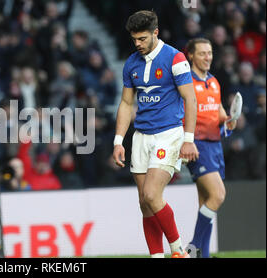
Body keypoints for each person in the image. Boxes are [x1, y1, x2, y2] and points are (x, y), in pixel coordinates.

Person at [112, 10, 199, 258]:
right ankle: (156, 256)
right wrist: (119, 141)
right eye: (134, 39)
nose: (137, 44)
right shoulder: (131, 63)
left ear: (155, 33)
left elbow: (190, 98)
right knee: (144, 203)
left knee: (152, 194)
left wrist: (188, 139)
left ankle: (178, 250)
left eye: (142, 38)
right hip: (141, 137)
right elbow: (127, 104)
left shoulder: (175, 58)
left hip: (168, 134)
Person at [184, 38, 237, 258]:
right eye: (202, 53)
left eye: (210, 53)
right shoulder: (186, 84)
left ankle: (202, 255)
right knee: (218, 195)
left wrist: (228, 120)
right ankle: (194, 247)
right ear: (191, 56)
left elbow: (219, 111)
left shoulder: (214, 81)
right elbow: (180, 114)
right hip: (197, 146)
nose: (208, 57)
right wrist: (186, 141)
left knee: (207, 203)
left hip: (215, 146)